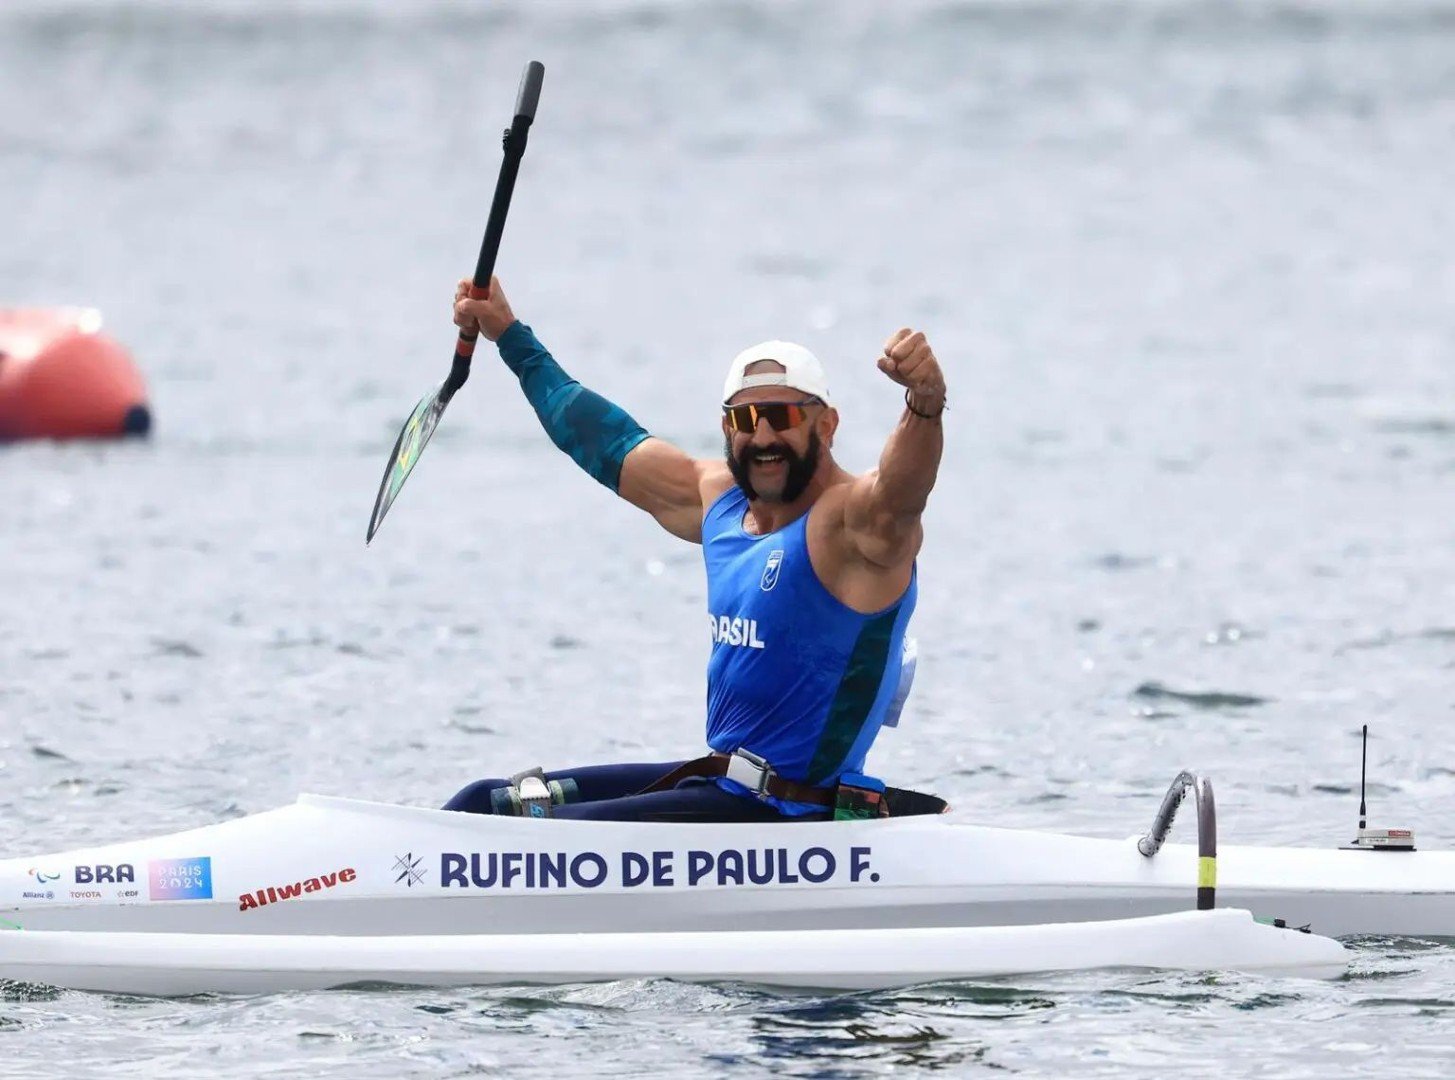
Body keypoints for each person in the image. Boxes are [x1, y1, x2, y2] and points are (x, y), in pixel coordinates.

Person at [442, 276, 945, 822]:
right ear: (727, 429)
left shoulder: (852, 525)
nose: (763, 437)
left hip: (794, 818)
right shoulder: (720, 504)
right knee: (482, 802)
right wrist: (510, 336)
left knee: (534, 831)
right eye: (745, 420)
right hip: (723, 786)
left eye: (782, 417)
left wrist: (923, 404)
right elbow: (604, 440)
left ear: (827, 425)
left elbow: (901, 495)